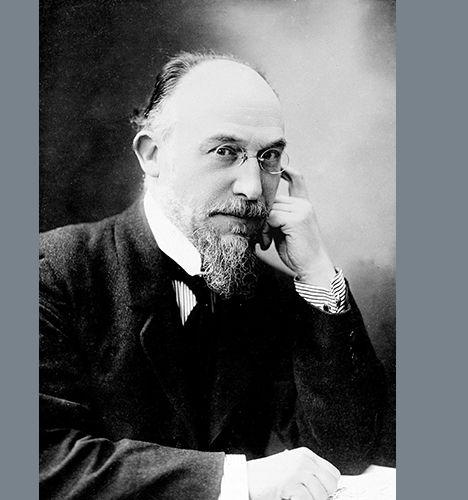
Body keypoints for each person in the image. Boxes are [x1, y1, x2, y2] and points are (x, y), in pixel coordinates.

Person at [39, 51, 386, 500]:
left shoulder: (269, 292)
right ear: (152, 155)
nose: (253, 188)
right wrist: (237, 481)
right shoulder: (53, 273)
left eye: (268, 156)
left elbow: (346, 453)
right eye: (225, 152)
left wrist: (317, 272)